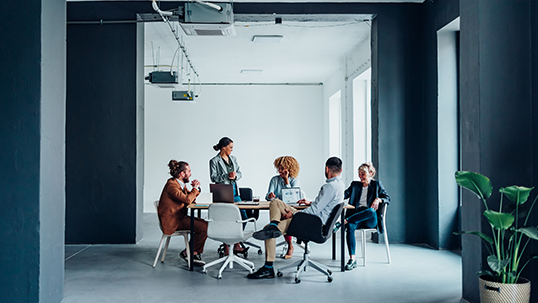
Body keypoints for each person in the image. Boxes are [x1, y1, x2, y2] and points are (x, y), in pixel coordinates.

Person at [247, 157, 345, 279]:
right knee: (275, 202)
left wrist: (293, 214)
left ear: (326, 169)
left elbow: (314, 211)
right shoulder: (339, 185)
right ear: (341, 170)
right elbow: (323, 205)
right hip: (317, 220)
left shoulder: (328, 187)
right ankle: (274, 224)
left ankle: (268, 268)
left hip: (313, 223)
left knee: (268, 231)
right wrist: (311, 202)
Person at [335, 162, 390, 271]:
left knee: (370, 211)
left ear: (370, 173)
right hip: (357, 216)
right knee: (350, 226)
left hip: (370, 218)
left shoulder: (377, 185)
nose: (360, 176)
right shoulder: (355, 185)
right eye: (359, 174)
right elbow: (343, 195)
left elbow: (387, 198)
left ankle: (342, 222)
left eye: (363, 174)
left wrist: (379, 199)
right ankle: (352, 259)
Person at [158, 160, 207, 266]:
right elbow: (187, 199)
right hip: (173, 221)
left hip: (179, 217)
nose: (190, 173)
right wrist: (194, 189)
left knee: (205, 224)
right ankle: (190, 253)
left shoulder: (180, 184)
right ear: (182, 174)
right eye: (189, 171)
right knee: (203, 227)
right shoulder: (172, 185)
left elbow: (190, 197)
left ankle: (191, 252)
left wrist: (196, 189)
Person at [209, 137, 248, 256]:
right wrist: (227, 176)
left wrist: (235, 176)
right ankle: (227, 246)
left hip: (235, 191)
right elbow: (213, 177)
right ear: (223, 147)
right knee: (225, 218)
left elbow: (240, 173)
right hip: (223, 192)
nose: (232, 149)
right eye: (230, 147)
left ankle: (235, 242)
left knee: (243, 216)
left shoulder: (233, 159)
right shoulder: (214, 161)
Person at [265, 156, 300, 259]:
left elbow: (292, 198)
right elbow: (267, 196)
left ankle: (289, 245)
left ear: (289, 169)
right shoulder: (274, 180)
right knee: (278, 211)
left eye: (282, 168)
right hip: (277, 208)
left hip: (289, 208)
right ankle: (287, 243)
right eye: (278, 168)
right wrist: (270, 195)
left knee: (284, 215)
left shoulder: (294, 180)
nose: (279, 171)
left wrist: (286, 181)